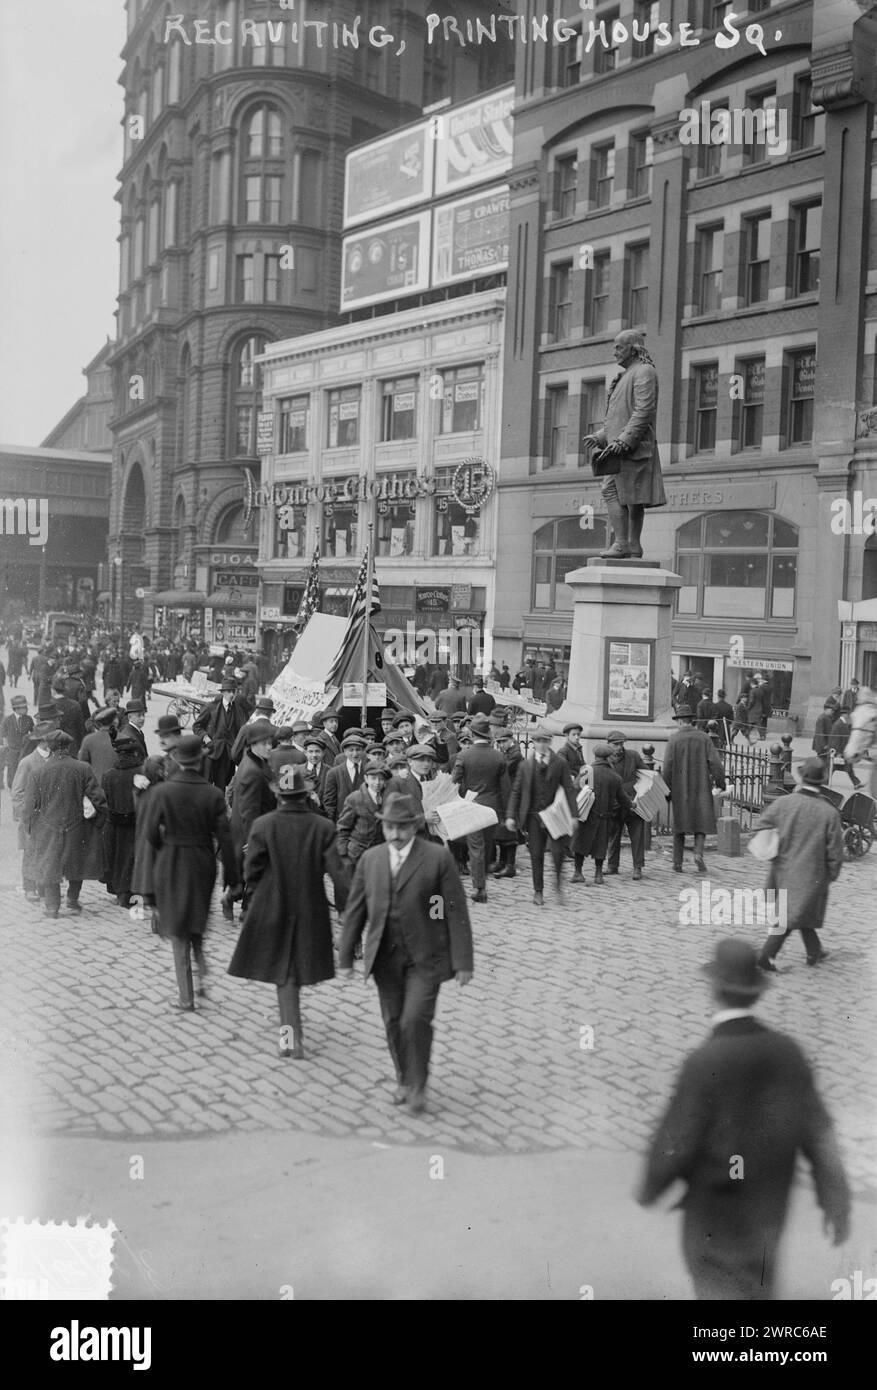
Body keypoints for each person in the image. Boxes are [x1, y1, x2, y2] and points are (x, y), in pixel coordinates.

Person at [637, 937, 850, 1300]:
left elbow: (678, 1139)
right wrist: (836, 1201)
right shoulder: (787, 1053)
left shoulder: (705, 1062)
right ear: (755, 993)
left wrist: (652, 1187)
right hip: (767, 1216)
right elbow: (819, 1134)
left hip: (712, 1220)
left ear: (715, 989)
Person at [338, 791, 474, 1115]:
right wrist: (345, 956)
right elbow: (355, 910)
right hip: (385, 959)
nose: (395, 834)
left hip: (425, 958)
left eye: (402, 828)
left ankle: (418, 1084)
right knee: (393, 1022)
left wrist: (463, 960)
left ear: (414, 827)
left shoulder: (436, 859)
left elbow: (452, 909)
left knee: (415, 1020)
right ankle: (403, 1078)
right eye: (389, 828)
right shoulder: (371, 860)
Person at [227, 763, 349, 1059]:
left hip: (273, 903)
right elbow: (339, 874)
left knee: (284, 974)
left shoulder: (264, 825)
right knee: (294, 969)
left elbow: (251, 869)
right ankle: (292, 1035)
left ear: (279, 796)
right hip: (311, 905)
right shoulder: (323, 827)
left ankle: (290, 1038)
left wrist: (254, 896)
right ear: (305, 795)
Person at [135, 734, 240, 1011]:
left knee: (178, 928)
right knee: (196, 919)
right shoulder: (213, 794)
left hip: (171, 860)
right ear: (200, 760)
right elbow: (226, 839)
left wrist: (165, 845)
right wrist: (232, 879)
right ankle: (202, 972)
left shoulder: (162, 792)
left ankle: (186, 997)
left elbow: (149, 833)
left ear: (177, 761)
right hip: (203, 862)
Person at [581, 329, 666, 558]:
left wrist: (624, 441)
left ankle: (624, 544)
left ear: (634, 348)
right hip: (620, 448)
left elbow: (643, 411)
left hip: (632, 449)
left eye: (619, 347)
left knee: (624, 495)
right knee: (626, 496)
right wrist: (600, 436)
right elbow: (618, 417)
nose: (614, 352)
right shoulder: (626, 375)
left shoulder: (644, 372)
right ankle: (629, 545)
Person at [755, 757, 844, 972]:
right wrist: (831, 874)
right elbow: (835, 852)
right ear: (821, 781)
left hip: (783, 870)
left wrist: (774, 846)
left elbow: (760, 826)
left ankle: (815, 951)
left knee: (797, 911)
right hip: (813, 874)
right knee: (792, 915)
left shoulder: (784, 803)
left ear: (801, 777)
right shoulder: (829, 813)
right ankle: (766, 956)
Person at [21, 730, 107, 919]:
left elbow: (29, 807)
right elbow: (99, 800)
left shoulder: (38, 772)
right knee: (77, 862)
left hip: (47, 827)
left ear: (50, 748)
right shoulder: (83, 768)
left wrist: (30, 829)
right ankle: (73, 899)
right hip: (77, 826)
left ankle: (52, 907)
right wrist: (98, 824)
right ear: (68, 747)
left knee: (50, 864)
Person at [505, 726, 577, 906]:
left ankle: (559, 886)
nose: (542, 745)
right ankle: (538, 891)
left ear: (550, 742)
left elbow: (568, 788)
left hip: (555, 815)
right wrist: (511, 816)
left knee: (558, 852)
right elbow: (516, 791)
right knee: (536, 854)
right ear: (534, 743)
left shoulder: (559, 763)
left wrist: (574, 815)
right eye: (538, 741)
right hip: (534, 818)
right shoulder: (525, 765)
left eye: (545, 741)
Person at [451, 713, 509, 904]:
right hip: (492, 807)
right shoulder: (499, 756)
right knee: (487, 845)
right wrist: (506, 812)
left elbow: (454, 782)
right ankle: (481, 882)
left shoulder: (464, 755)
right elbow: (505, 788)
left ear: (472, 733)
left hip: (472, 805)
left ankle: (480, 888)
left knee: (476, 848)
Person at [661, 705, 726, 874]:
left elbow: (667, 768)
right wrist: (721, 784)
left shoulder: (673, 740)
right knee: (701, 822)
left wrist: (666, 790)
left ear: (681, 721)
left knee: (679, 824)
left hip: (680, 788)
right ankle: (698, 853)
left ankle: (677, 862)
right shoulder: (704, 738)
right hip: (701, 786)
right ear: (692, 721)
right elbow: (716, 764)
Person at [228, 722, 277, 919]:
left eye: (270, 743)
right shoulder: (252, 771)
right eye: (265, 743)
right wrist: (253, 839)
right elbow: (249, 810)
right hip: (252, 830)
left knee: (256, 870)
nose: (269, 747)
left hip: (255, 827)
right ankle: (246, 911)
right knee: (260, 870)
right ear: (253, 744)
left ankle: (236, 900)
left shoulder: (255, 762)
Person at [573, 743, 632, 886]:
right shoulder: (615, 777)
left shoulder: (587, 771)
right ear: (608, 757)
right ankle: (598, 874)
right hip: (604, 817)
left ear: (595, 756)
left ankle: (578, 872)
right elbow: (623, 798)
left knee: (580, 843)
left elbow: (575, 788)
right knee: (601, 846)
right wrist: (632, 804)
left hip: (586, 815)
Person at [101, 731, 143, 909]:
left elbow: (106, 800)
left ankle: (119, 890)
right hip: (136, 824)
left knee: (117, 856)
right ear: (134, 753)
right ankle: (129, 891)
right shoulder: (141, 772)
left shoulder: (109, 775)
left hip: (115, 823)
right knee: (132, 856)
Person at [192, 678, 248, 791]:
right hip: (211, 752)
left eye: (234, 691)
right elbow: (197, 726)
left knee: (221, 787)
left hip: (227, 755)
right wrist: (206, 738)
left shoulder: (238, 710)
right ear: (223, 692)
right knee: (206, 785)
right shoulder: (210, 707)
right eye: (229, 691)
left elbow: (240, 731)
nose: (232, 694)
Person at [605, 730, 647, 880]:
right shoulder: (604, 760)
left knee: (637, 835)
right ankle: (612, 866)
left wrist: (639, 794)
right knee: (613, 835)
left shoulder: (633, 756)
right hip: (614, 804)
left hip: (633, 803)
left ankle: (638, 867)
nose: (619, 747)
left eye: (621, 744)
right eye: (615, 744)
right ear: (608, 744)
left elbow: (646, 775)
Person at [336, 758, 391, 870]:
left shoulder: (389, 797)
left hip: (381, 853)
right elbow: (342, 828)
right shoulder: (355, 798)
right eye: (373, 778)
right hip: (358, 854)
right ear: (366, 778)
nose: (377, 783)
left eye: (381, 779)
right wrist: (343, 855)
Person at [323, 730, 366, 820]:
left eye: (358, 750)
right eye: (351, 750)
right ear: (345, 752)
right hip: (341, 823)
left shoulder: (368, 771)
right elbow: (329, 803)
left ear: (363, 751)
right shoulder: (334, 773)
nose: (355, 754)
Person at [78, 706, 121, 785]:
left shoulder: (88, 740)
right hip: (118, 787)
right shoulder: (124, 738)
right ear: (115, 721)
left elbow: (82, 767)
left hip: (97, 787)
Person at [2, 694, 35, 788]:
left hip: (24, 750)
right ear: (16, 709)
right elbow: (3, 735)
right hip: (12, 750)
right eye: (24, 707)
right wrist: (6, 748)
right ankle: (12, 785)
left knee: (24, 769)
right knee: (12, 768)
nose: (26, 709)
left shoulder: (29, 719)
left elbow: (33, 733)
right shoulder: (7, 720)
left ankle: (22, 785)